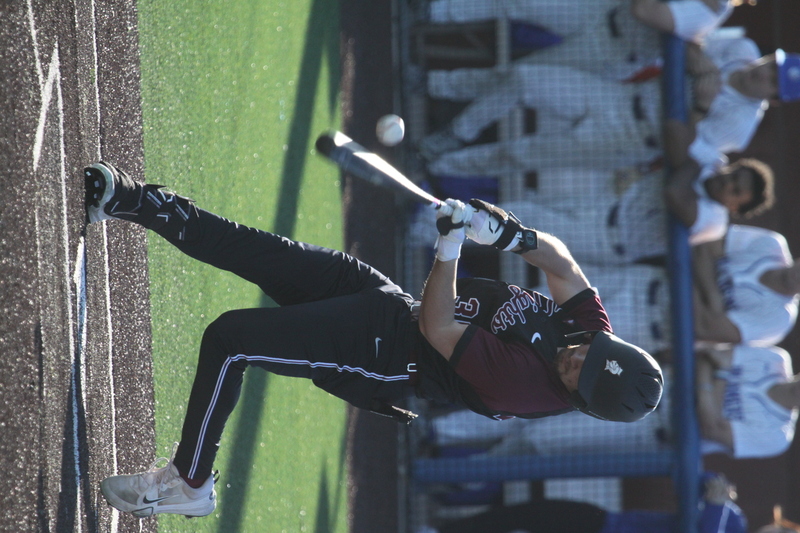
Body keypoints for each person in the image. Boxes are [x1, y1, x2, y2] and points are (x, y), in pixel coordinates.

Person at [84, 161, 663, 518]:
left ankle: (189, 481)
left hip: (386, 353)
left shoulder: (525, 386)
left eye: (582, 371)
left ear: (584, 401)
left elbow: (439, 327)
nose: (578, 354)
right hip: (387, 303)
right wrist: (511, 236)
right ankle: (130, 200)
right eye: (592, 351)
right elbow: (562, 265)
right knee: (256, 251)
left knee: (230, 339)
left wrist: (450, 247)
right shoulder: (591, 334)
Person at [417, 40, 800, 177]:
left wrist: (699, 108)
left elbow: (686, 153)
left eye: (773, 82)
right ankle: (453, 130)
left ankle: (437, 166)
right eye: (772, 66)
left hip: (626, 140)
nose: (764, 74)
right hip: (617, 96)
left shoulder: (742, 125)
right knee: (524, 79)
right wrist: (698, 57)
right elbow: (686, 37)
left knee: (520, 154)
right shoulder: (740, 49)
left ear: (775, 98)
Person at [417, 472, 746, 533]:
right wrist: (714, 486)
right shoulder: (734, 519)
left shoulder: (722, 514)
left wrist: (715, 506)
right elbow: (698, 481)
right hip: (607, 524)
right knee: (528, 514)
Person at [693, 224, 800, 345]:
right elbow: (703, 247)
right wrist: (712, 297)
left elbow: (704, 328)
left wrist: (692, 277)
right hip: (676, 271)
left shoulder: (779, 319)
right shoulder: (770, 243)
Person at [696, 344, 799, 458]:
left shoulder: (778, 437)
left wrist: (721, 372)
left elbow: (711, 430)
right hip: (680, 377)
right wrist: (708, 407)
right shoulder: (775, 358)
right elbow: (708, 356)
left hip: (682, 429)